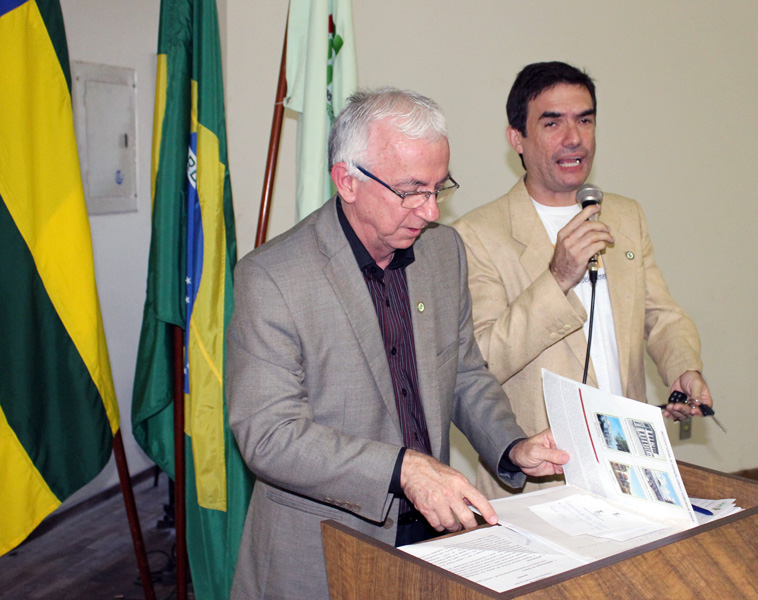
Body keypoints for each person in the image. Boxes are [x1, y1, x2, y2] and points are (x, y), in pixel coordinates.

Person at [226, 87, 569, 600]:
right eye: (411, 191)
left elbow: (464, 372)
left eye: (439, 188)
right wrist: (402, 469)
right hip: (321, 548)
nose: (430, 211)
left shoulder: (443, 252)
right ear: (347, 180)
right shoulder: (274, 277)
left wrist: (511, 445)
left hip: (432, 540)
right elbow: (269, 436)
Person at [453, 62, 712, 500]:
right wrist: (556, 279)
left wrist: (683, 367)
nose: (574, 138)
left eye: (585, 120)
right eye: (552, 123)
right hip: (540, 479)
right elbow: (481, 363)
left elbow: (660, 315)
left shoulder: (625, 216)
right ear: (517, 138)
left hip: (630, 467)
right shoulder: (475, 235)